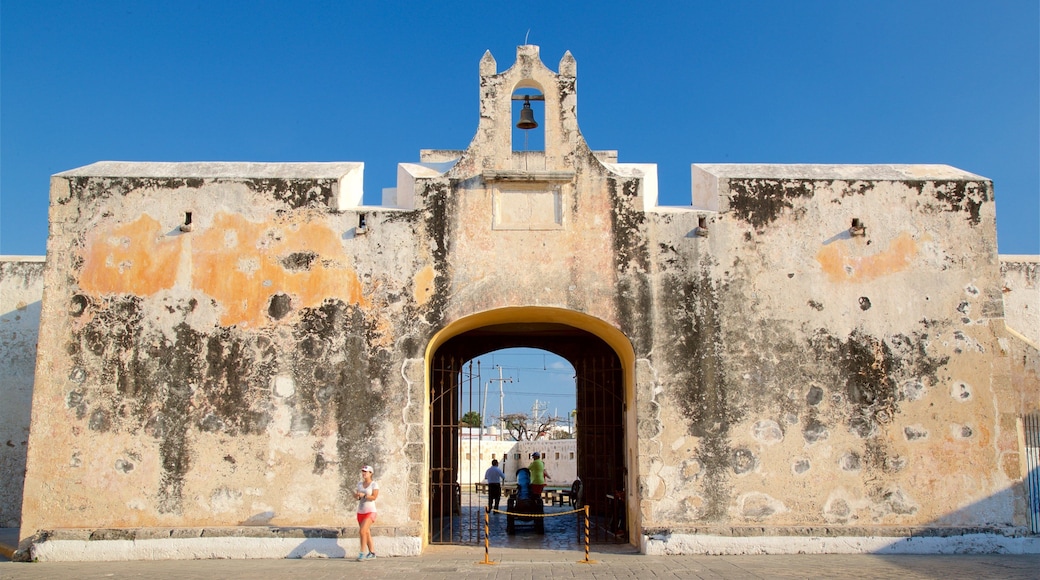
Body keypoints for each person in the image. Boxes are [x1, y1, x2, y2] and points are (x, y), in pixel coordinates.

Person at [354, 465, 379, 561]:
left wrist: (364, 495)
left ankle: (362, 552)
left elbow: (374, 497)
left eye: (366, 471)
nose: (364, 473)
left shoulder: (374, 484)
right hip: (361, 511)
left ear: (370, 473)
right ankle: (372, 552)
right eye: (363, 471)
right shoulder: (359, 484)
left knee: (362, 531)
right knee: (366, 532)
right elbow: (358, 497)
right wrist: (357, 496)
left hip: (370, 511)